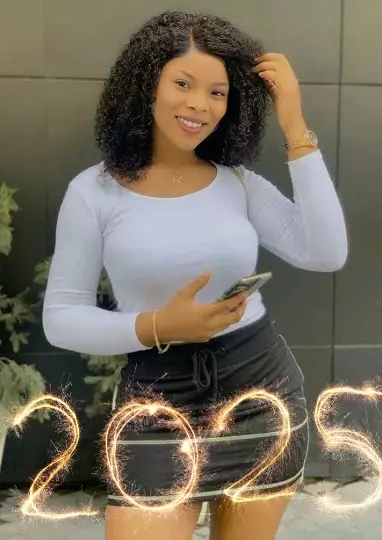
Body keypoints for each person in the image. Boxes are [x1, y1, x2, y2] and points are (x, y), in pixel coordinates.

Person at [42, 10, 348, 540]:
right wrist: (158, 326)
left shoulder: (238, 184)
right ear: (146, 84)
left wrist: (295, 125)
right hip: (156, 403)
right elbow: (61, 318)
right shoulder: (93, 193)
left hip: (260, 392)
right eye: (183, 84)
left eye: (217, 93)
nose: (200, 105)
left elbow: (326, 252)